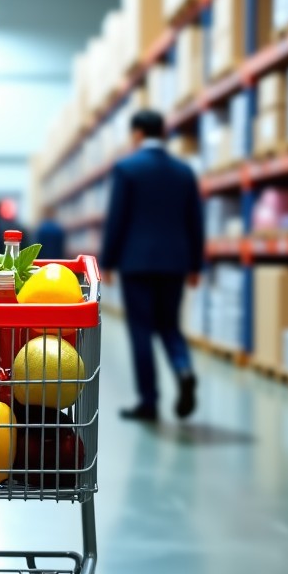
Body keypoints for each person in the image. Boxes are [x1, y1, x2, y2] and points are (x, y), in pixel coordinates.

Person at [100, 109, 203, 423]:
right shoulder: (185, 172)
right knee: (170, 325)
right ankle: (183, 369)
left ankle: (149, 402)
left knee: (141, 331)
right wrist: (196, 265)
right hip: (175, 263)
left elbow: (116, 219)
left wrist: (107, 261)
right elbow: (195, 222)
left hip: (137, 263)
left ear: (138, 134)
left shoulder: (127, 169)